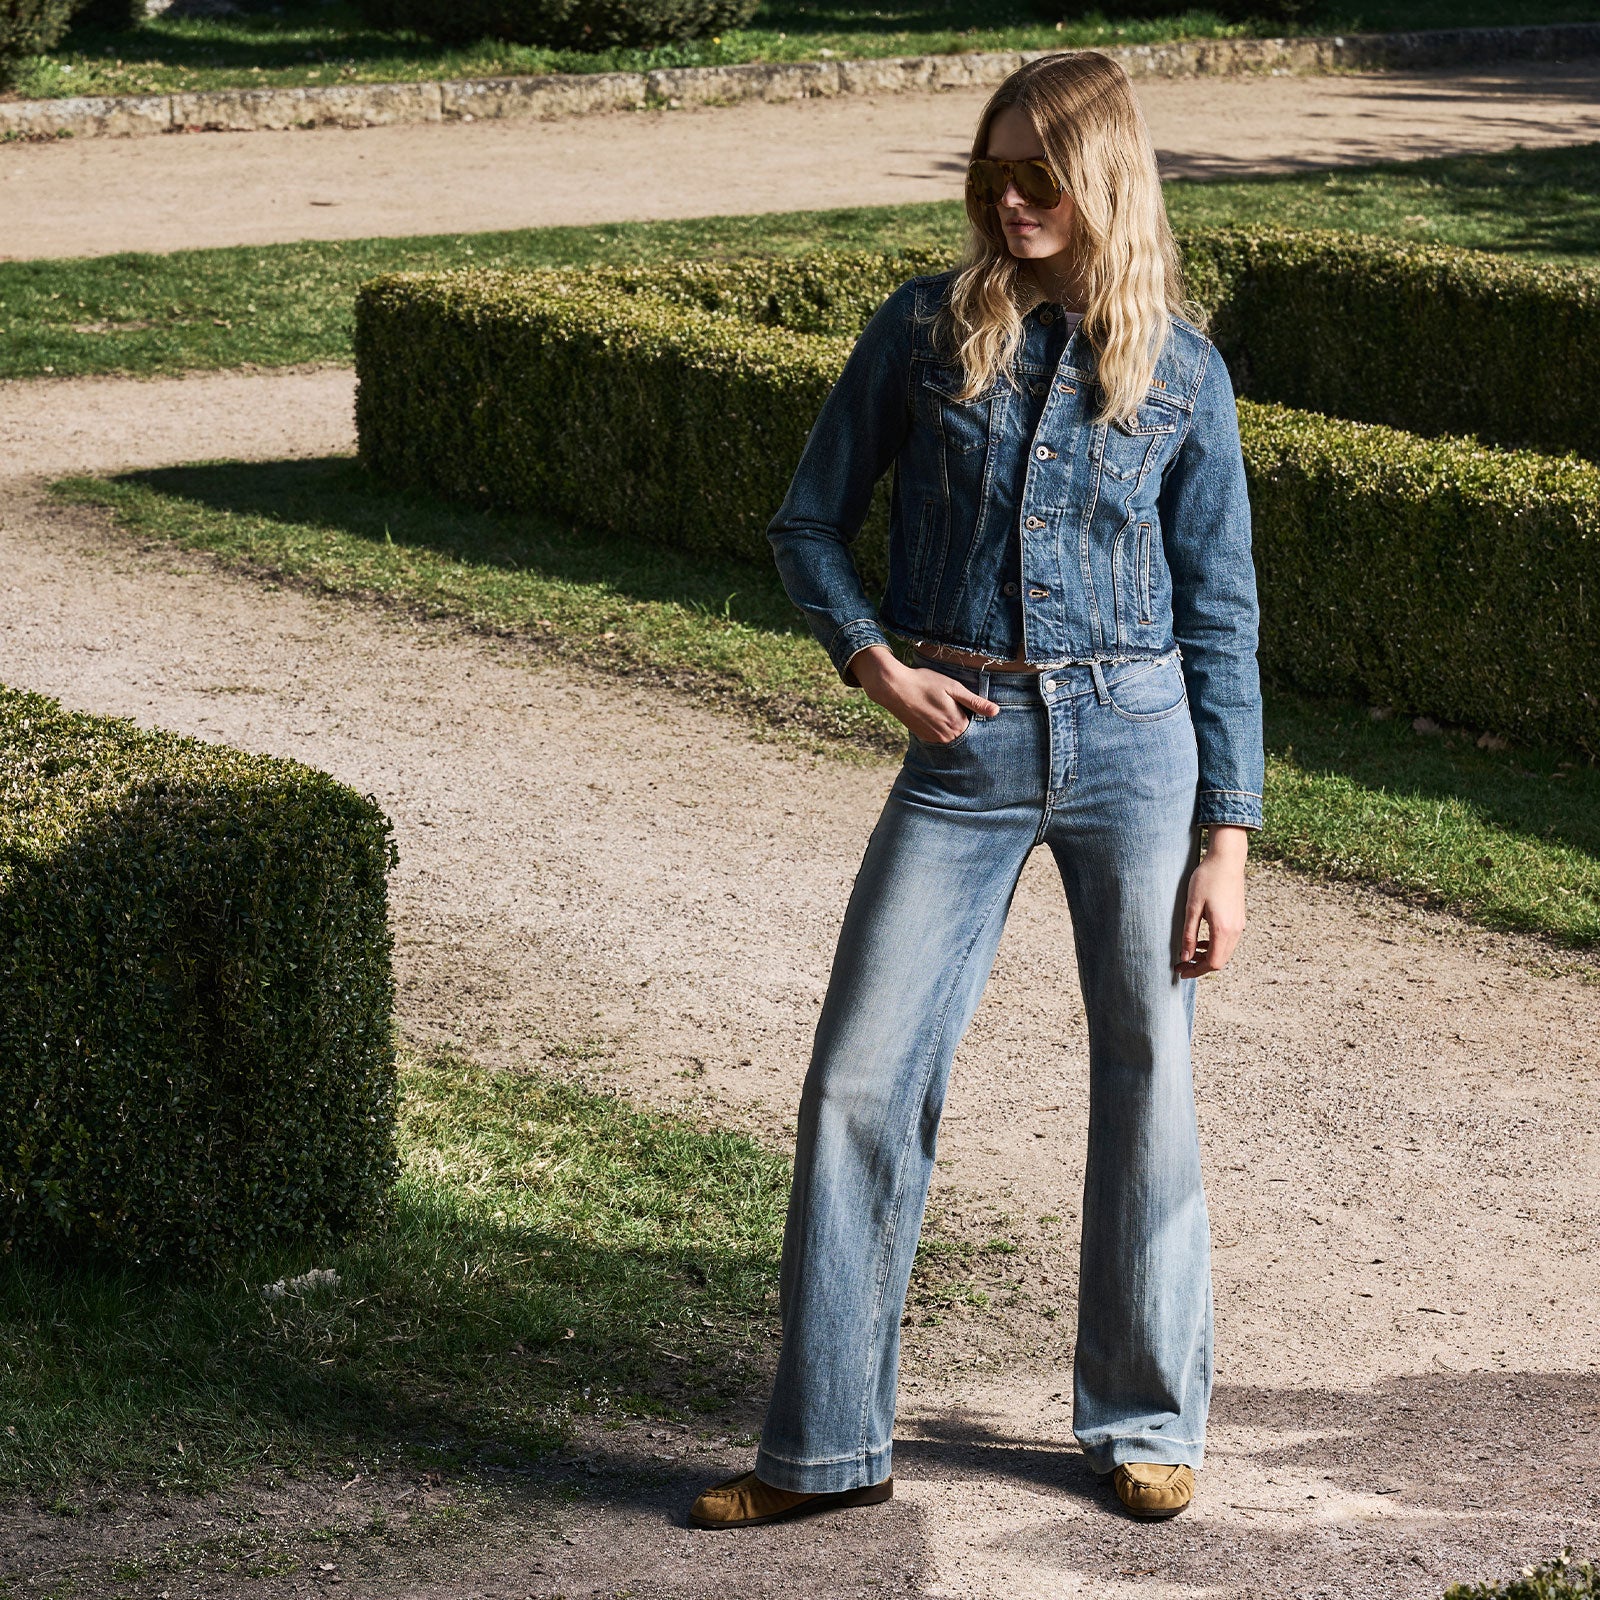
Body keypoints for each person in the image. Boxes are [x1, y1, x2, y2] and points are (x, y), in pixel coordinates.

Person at [689, 48, 1263, 1529]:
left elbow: (1222, 619)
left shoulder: (1183, 372)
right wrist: (875, 663)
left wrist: (1230, 843)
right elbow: (806, 524)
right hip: (963, 743)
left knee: (1151, 1077)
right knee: (861, 1074)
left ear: (1103, 182)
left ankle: (1143, 1421)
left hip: (1141, 742)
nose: (1008, 201)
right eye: (989, 174)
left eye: (1039, 177)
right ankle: (822, 1449)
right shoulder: (921, 335)